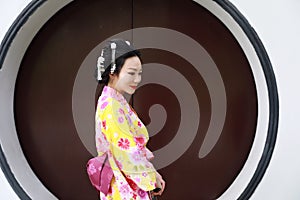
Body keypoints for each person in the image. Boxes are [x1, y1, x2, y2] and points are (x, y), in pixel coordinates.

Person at [94, 38, 165, 200]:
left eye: (139, 73)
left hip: (127, 180)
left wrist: (152, 173)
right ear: (112, 72)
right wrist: (151, 179)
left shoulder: (115, 100)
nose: (137, 79)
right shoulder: (111, 105)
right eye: (131, 73)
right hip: (123, 184)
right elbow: (126, 152)